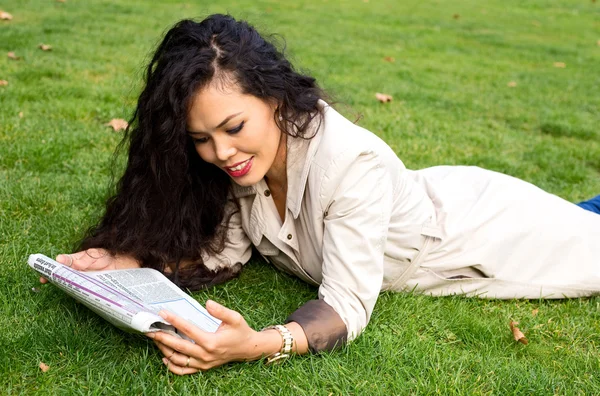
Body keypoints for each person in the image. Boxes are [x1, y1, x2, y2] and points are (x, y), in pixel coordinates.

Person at [44, 14, 600, 375]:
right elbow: (227, 249)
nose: (221, 153)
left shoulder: (348, 161)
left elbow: (345, 307)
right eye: (201, 140)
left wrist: (257, 343)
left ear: (275, 99)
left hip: (493, 233)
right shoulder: (247, 167)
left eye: (234, 127)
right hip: (439, 192)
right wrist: (127, 259)